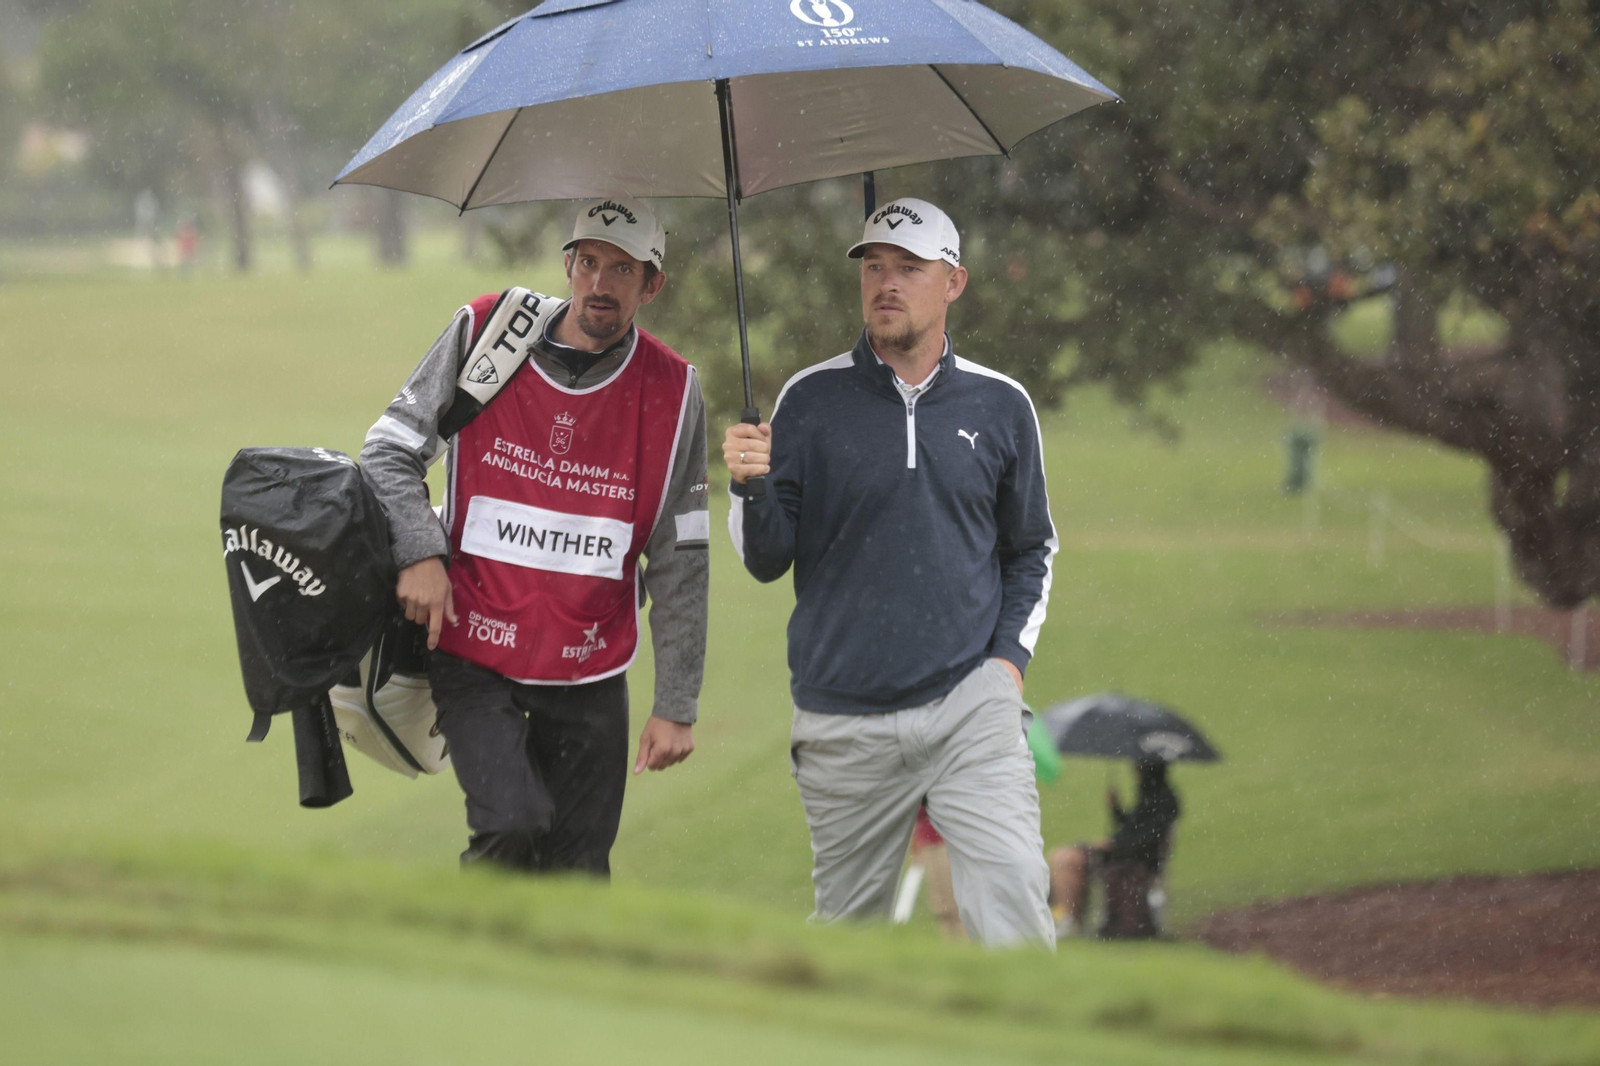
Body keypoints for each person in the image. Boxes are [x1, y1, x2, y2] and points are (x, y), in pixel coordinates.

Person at [724, 197, 1058, 947]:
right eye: (874, 267)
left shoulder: (1001, 405)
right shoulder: (810, 399)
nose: (887, 283)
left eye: (909, 267)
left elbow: (1031, 548)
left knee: (1015, 902)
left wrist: (1007, 662)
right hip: (843, 714)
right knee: (851, 939)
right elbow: (765, 560)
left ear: (954, 282)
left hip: (969, 703)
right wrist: (748, 484)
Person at [361, 194, 709, 876]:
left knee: (580, 872)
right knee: (512, 825)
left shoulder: (675, 389)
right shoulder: (490, 329)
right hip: (473, 648)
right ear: (568, 264)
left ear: (652, 284)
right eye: (588, 262)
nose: (600, 284)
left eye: (622, 269)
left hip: (590, 666)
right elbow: (388, 450)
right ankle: (475, 944)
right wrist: (420, 551)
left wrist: (676, 703)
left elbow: (680, 556)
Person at [1049, 759, 1181, 939]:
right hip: (1122, 855)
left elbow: (1143, 839)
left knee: (1064, 859)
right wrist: (1115, 808)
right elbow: (1133, 827)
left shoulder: (1161, 800)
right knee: (1065, 857)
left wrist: (1111, 844)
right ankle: (1068, 918)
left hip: (1127, 859)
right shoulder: (1152, 794)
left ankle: (1069, 919)